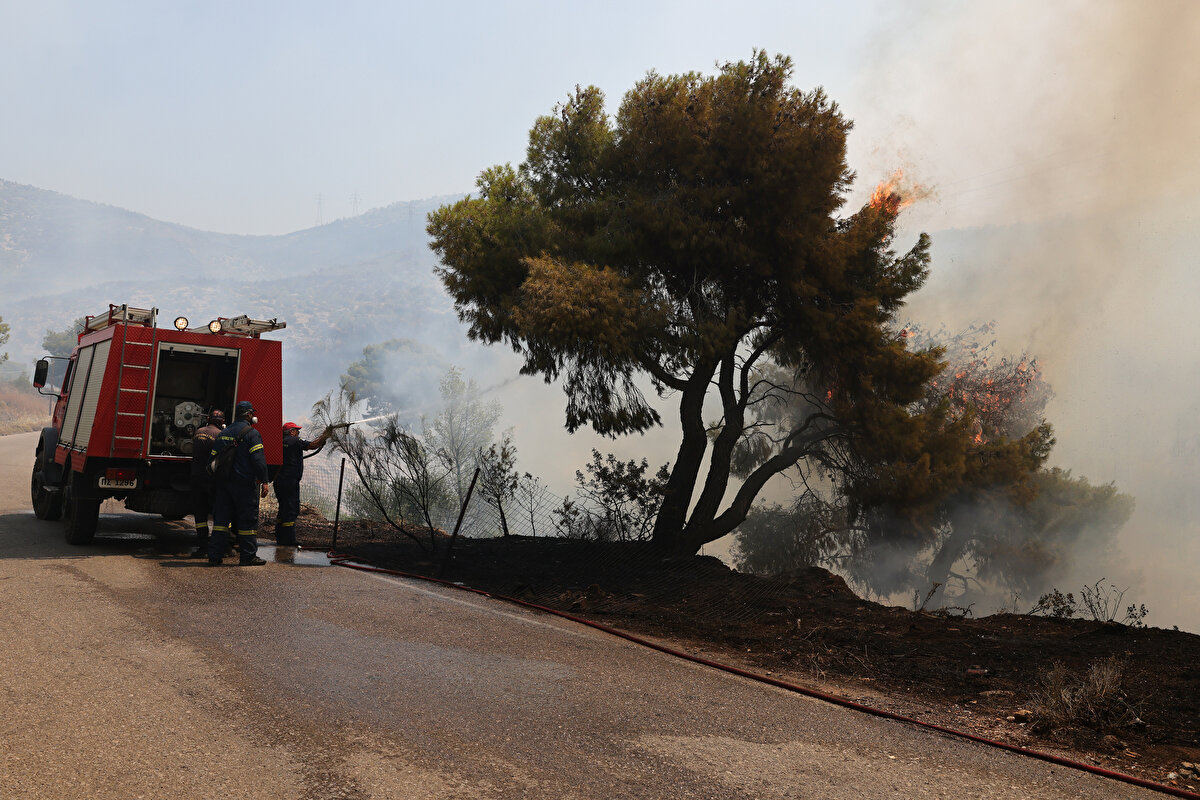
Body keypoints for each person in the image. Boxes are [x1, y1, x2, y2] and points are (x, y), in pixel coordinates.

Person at [208, 400, 270, 566]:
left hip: (224, 485)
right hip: (244, 486)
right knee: (247, 521)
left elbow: (212, 458)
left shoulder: (223, 432)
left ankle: (214, 556)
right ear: (249, 414)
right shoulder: (252, 434)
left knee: (221, 522)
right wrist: (264, 480)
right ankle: (248, 556)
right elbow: (258, 460)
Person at [273, 421, 332, 547]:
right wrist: (326, 435)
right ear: (291, 432)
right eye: (296, 430)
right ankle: (289, 540)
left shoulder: (279, 441)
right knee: (291, 509)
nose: (298, 432)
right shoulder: (294, 441)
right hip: (290, 481)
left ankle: (280, 537)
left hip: (279, 481)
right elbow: (313, 445)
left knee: (283, 509)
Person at [188, 408, 225, 558]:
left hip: (196, 477)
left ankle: (202, 547)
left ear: (208, 419)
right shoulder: (220, 435)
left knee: (200, 513)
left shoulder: (198, 431)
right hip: (211, 479)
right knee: (218, 512)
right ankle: (219, 547)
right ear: (222, 422)